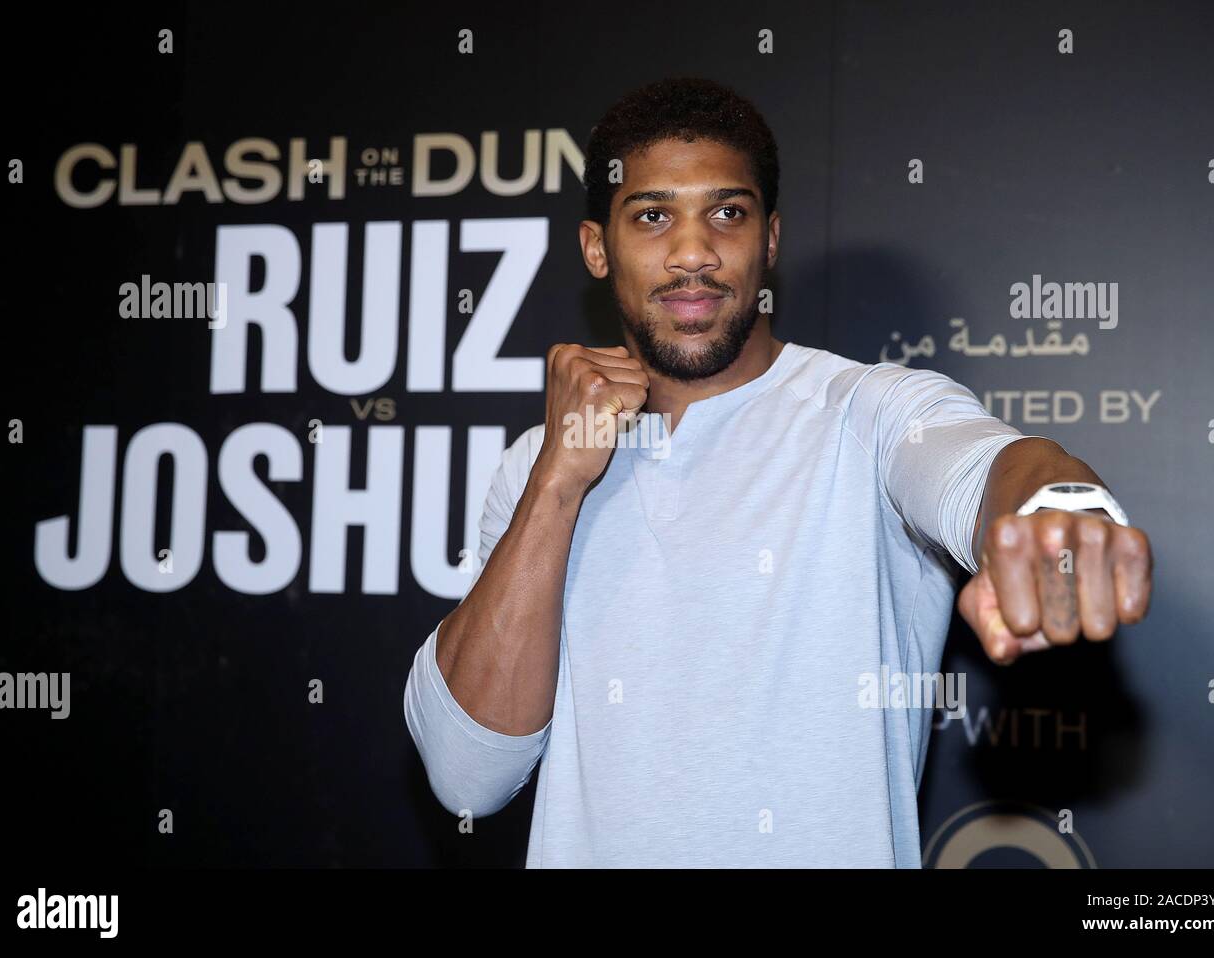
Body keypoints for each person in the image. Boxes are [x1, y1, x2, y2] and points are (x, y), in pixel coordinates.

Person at [403, 76, 1153, 867]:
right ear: (598, 247)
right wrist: (557, 480)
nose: (693, 253)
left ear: (769, 240)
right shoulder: (538, 462)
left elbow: (999, 468)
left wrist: (1059, 515)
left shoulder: (869, 411)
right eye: (653, 216)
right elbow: (466, 777)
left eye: (727, 213)